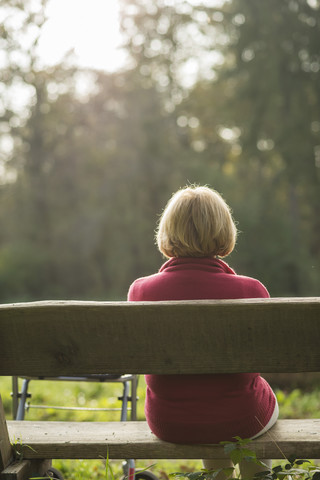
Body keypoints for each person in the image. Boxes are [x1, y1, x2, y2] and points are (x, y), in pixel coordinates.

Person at [127, 185, 278, 478]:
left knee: (209, 403)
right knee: (249, 402)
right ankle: (258, 476)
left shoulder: (140, 291)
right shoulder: (251, 290)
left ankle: (218, 475)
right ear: (224, 232)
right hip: (242, 419)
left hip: (170, 421)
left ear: (167, 232)